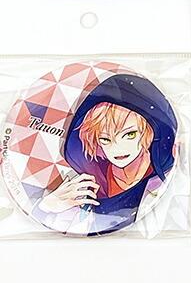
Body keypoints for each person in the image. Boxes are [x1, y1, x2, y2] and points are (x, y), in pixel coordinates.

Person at [34, 74, 177, 236]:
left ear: (149, 133)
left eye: (129, 135)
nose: (117, 149)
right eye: (105, 139)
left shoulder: (159, 180)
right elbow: (74, 227)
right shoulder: (84, 181)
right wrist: (45, 206)